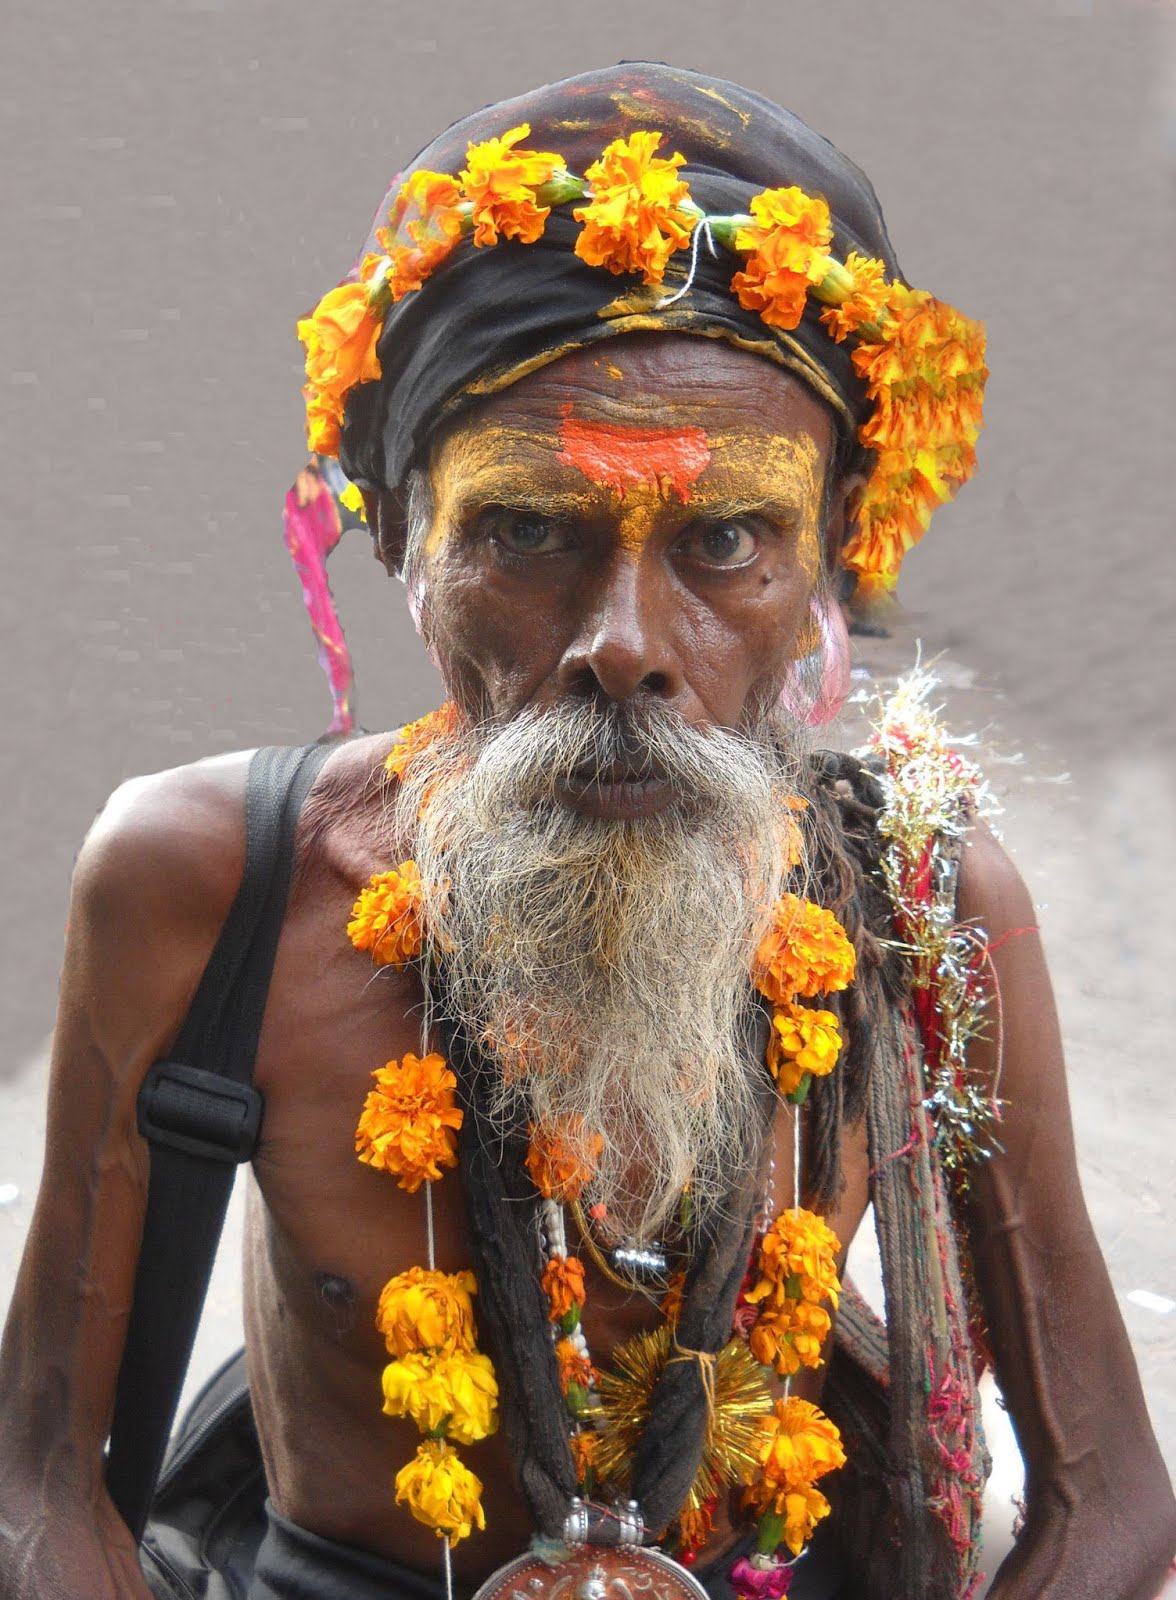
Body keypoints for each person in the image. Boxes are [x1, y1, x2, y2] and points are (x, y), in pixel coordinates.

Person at [1, 63, 1173, 1600]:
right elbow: (38, 1486)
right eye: (529, 529)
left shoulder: (921, 907)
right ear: (400, 539)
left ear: (827, 566)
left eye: (728, 539)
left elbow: (1109, 1505)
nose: (624, 642)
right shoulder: (204, 883)